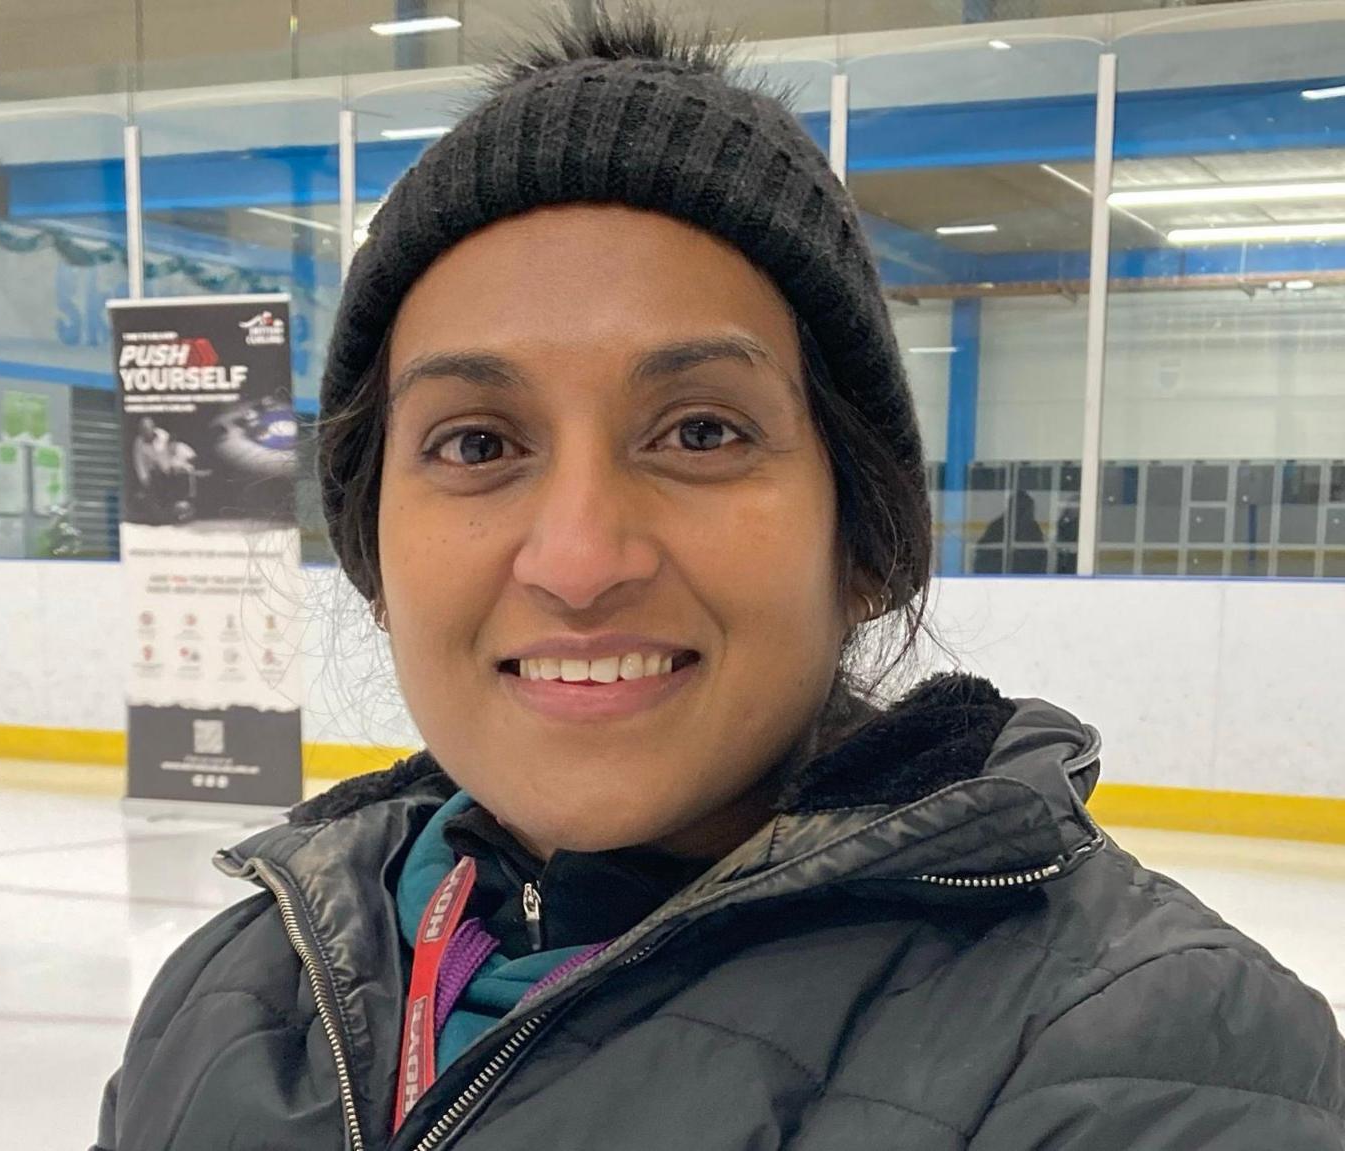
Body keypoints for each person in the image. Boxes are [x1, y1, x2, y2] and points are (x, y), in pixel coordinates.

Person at [96, 11, 1345, 1150]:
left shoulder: (1150, 1056)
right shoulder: (228, 994)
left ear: (861, 538)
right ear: (375, 552)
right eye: (476, 444)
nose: (579, 560)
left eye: (700, 431)